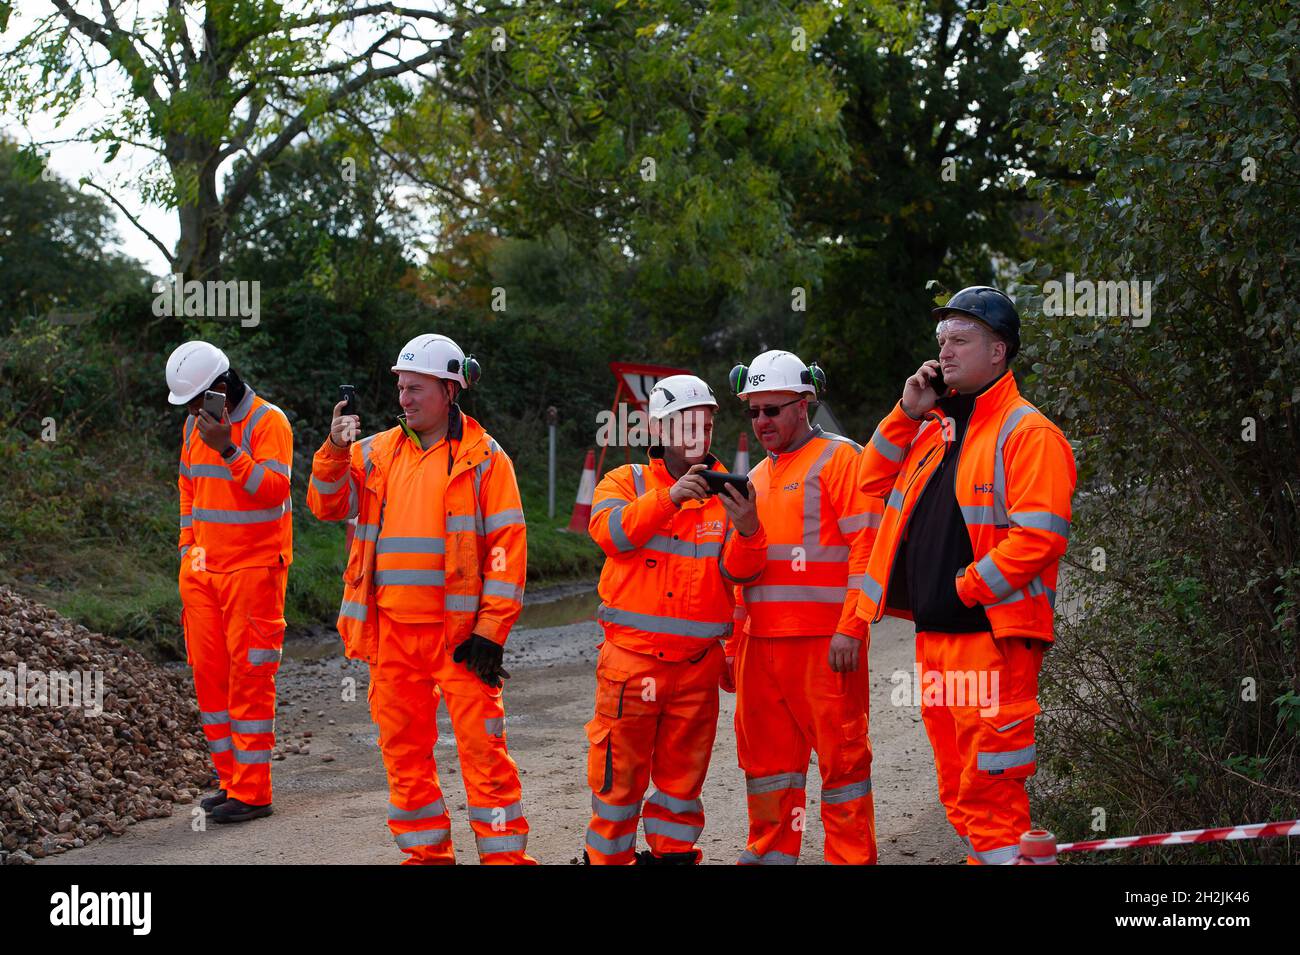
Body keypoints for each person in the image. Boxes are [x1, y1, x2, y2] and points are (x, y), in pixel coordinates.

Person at [853, 286, 1077, 864]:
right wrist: (906, 412)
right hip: (939, 643)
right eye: (941, 341)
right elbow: (867, 482)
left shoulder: (1029, 433)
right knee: (959, 796)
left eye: (960, 340)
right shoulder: (935, 428)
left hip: (992, 642)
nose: (945, 352)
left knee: (992, 797)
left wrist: (966, 586)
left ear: (998, 351)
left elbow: (1041, 537)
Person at [306, 333, 534, 864]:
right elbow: (326, 504)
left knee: (485, 758)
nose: (405, 399)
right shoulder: (374, 453)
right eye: (401, 388)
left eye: (417, 388)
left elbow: (507, 550)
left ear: (450, 390)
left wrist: (490, 632)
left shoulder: (485, 459)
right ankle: (427, 858)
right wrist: (335, 449)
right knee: (405, 761)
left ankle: (504, 859)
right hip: (391, 638)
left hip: (461, 643)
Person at [583, 374, 765, 864]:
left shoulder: (730, 495)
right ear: (658, 430)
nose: (697, 435)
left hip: (695, 671)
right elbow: (610, 535)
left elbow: (740, 573)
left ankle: (674, 858)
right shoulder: (625, 481)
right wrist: (669, 499)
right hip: (630, 667)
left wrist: (749, 530)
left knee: (680, 792)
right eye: (685, 424)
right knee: (617, 788)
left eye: (704, 424)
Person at [726, 350, 882, 864]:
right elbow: (741, 570)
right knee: (768, 771)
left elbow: (867, 547)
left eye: (773, 410)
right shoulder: (758, 477)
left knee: (843, 770)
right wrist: (734, 645)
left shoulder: (841, 459)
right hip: (761, 650)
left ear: (804, 403)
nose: (762, 421)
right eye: (754, 411)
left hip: (824, 647)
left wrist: (852, 628)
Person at [167, 340, 293, 824]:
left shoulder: (268, 423)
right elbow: (187, 486)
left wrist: (229, 450)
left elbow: (274, 493)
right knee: (210, 680)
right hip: (202, 572)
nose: (197, 411)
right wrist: (187, 549)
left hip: (254, 571)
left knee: (250, 681)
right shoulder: (192, 428)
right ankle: (230, 782)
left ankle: (254, 791)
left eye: (200, 400)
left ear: (221, 387)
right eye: (191, 406)